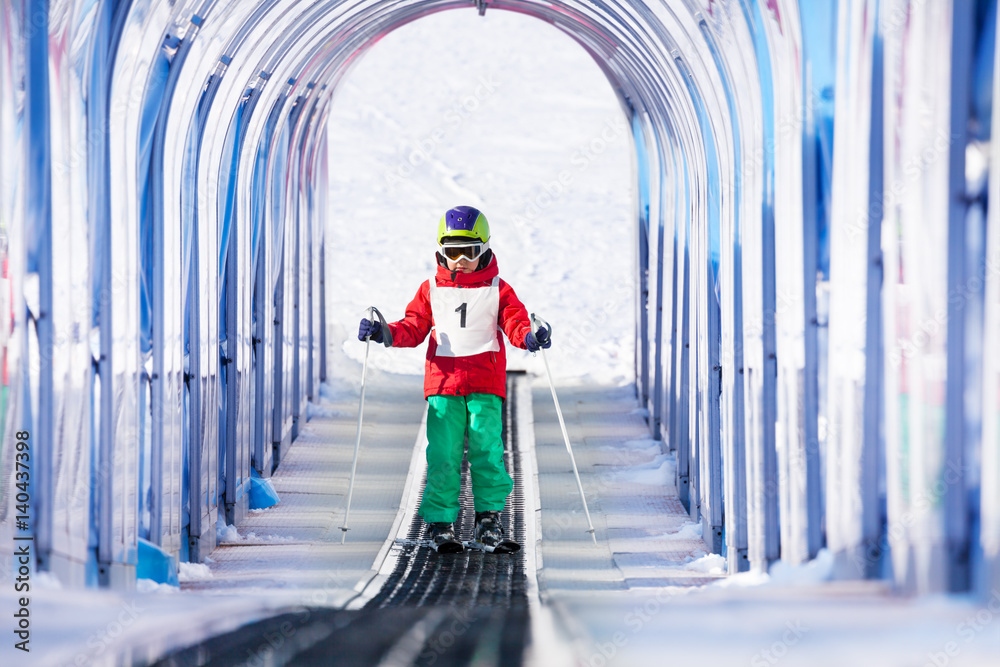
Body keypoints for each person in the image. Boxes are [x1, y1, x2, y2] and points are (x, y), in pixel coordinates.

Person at [358, 205, 551, 553]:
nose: (460, 260)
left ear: (485, 250)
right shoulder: (431, 288)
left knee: (486, 450)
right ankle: (440, 522)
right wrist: (384, 332)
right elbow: (414, 326)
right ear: (440, 252)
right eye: (452, 252)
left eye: (469, 252)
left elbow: (514, 322)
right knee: (443, 454)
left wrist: (530, 337)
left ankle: (489, 518)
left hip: (484, 385)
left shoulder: (497, 289)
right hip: (443, 385)